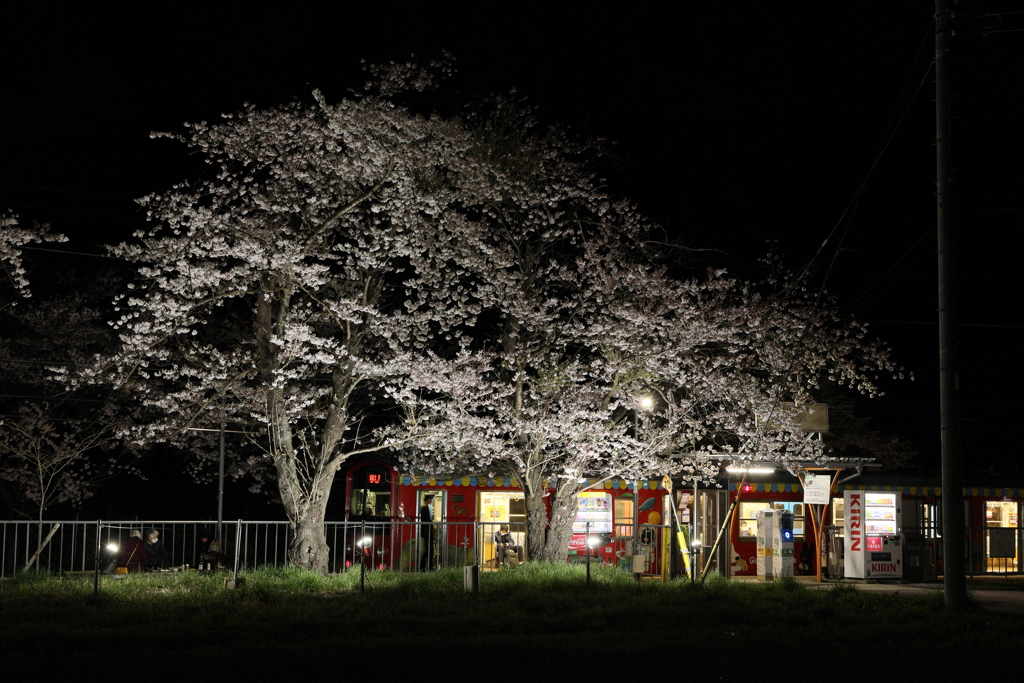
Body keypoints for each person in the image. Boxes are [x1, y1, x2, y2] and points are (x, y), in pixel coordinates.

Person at [419, 496, 435, 571]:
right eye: (430, 499)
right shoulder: (425, 508)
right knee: (429, 549)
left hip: (425, 532)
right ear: (427, 500)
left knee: (427, 550)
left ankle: (424, 567)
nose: (431, 501)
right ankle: (428, 566)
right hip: (426, 532)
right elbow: (426, 520)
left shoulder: (423, 507)